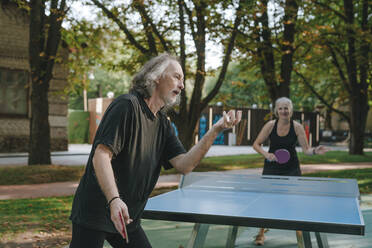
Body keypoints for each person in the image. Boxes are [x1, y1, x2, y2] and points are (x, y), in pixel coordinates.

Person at [69, 53, 242, 248]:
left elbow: (184, 165)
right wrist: (114, 200)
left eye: (183, 79)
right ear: (156, 76)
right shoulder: (127, 106)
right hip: (96, 210)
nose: (182, 85)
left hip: (128, 216)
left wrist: (215, 129)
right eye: (176, 76)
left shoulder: (162, 124)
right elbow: (101, 156)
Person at [252, 97, 329, 246]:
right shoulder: (270, 125)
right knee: (266, 200)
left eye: (286, 108)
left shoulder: (297, 127)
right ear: (276, 111)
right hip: (272, 167)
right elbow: (256, 144)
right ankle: (261, 233)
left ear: (291, 110)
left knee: (295, 201)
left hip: (291, 168)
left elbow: (306, 150)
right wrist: (266, 155)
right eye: (280, 108)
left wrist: (315, 151)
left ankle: (299, 234)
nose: (283, 111)